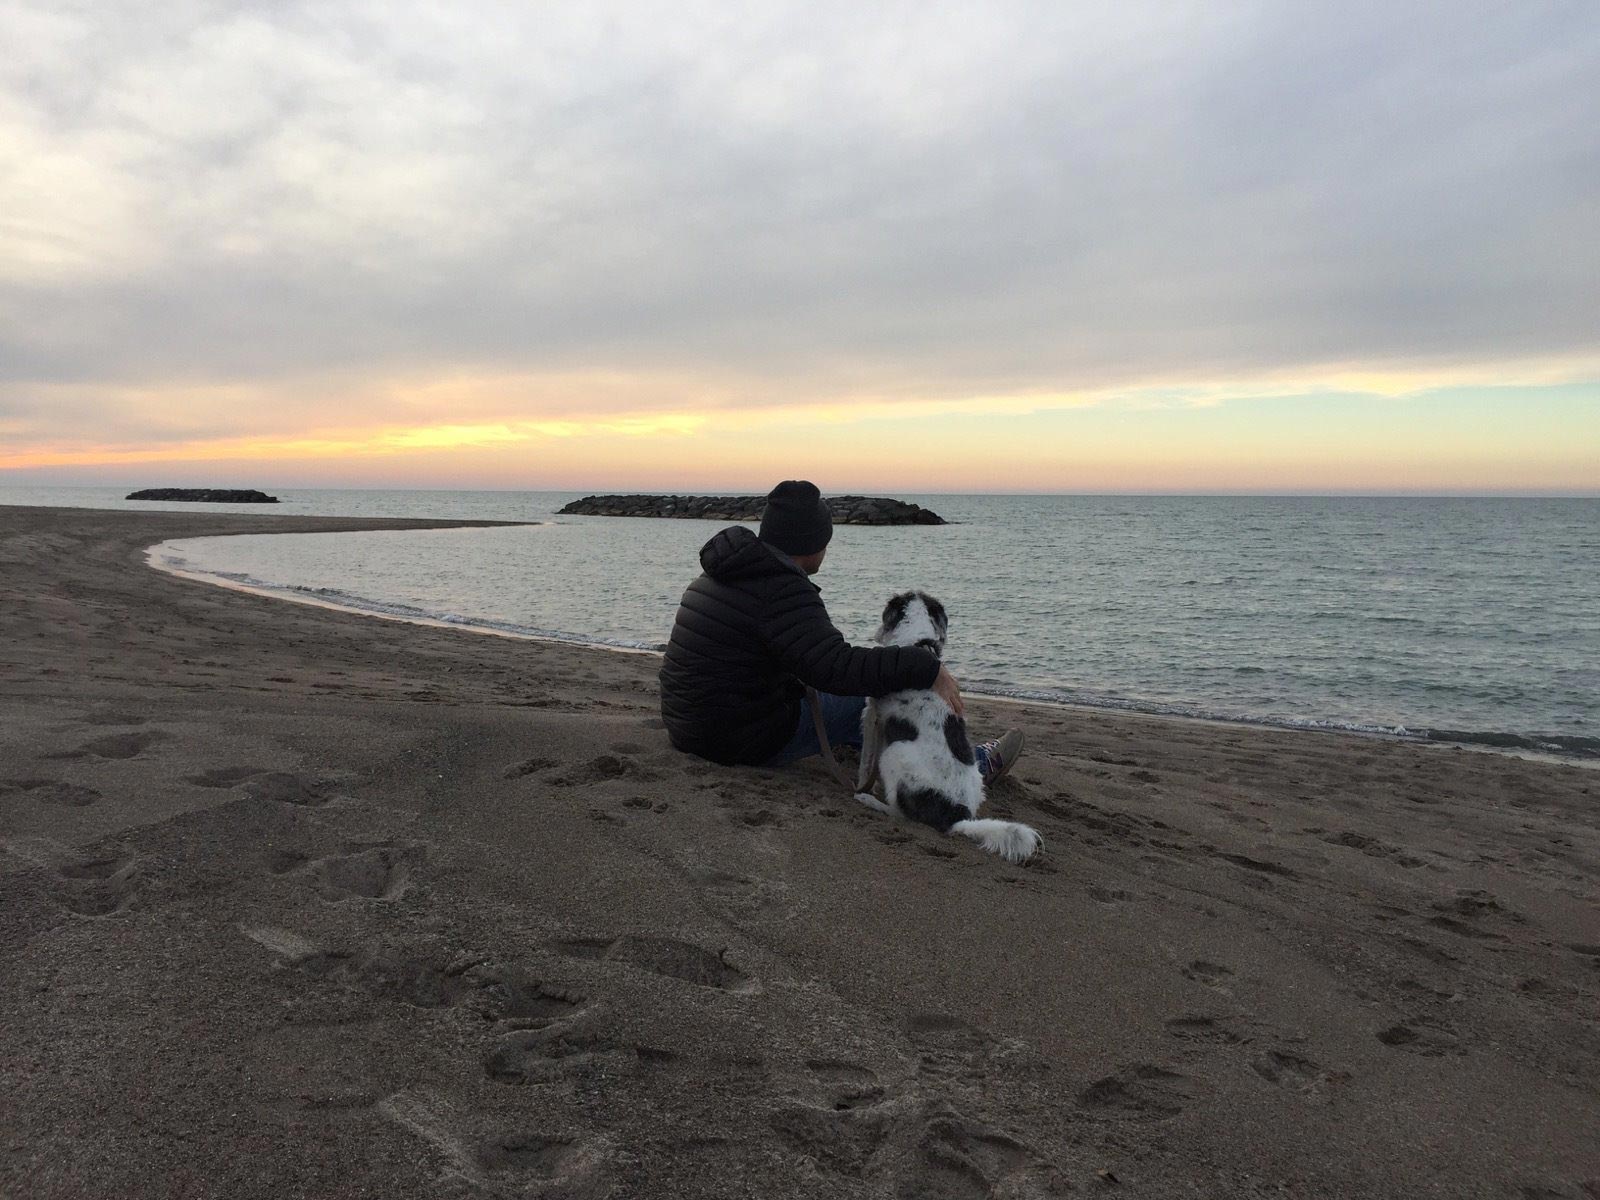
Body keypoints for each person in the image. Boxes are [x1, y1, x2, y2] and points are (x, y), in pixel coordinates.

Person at [658, 479, 1024, 779]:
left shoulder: (726, 571)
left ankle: (863, 743)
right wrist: (927, 667)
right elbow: (838, 668)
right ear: (811, 542)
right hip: (734, 739)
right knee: (876, 697)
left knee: (838, 696)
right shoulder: (782, 589)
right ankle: (969, 767)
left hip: (689, 725)